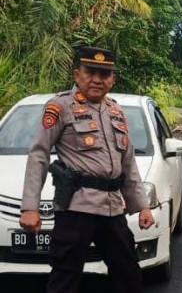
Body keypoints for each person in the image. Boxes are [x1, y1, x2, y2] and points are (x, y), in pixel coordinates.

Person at [19, 47, 155, 293]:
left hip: (112, 208)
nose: (97, 79)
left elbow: (128, 162)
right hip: (76, 208)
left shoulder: (116, 112)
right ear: (77, 75)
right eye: (90, 72)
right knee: (66, 277)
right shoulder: (60, 107)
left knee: (128, 273)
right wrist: (30, 207)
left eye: (104, 74)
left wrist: (142, 205)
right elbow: (39, 153)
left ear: (112, 79)